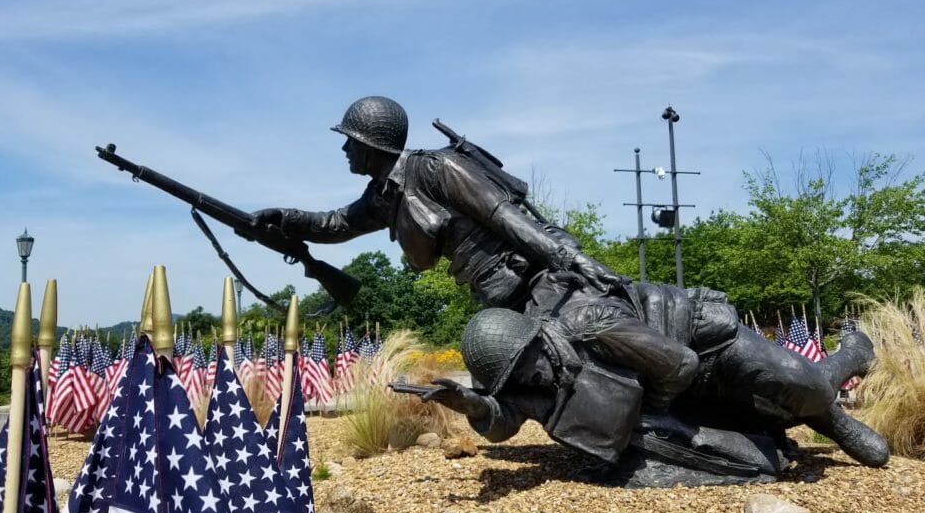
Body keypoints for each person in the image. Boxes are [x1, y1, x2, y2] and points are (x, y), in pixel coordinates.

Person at [254, 96, 699, 410]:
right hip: (499, 296)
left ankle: (674, 385)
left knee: (591, 331)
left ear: (370, 144)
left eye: (349, 139)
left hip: (539, 279)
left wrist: (571, 261)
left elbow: (506, 218)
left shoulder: (436, 168)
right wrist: (284, 219)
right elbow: (336, 225)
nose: (344, 148)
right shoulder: (383, 195)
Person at [419, 289, 889, 475]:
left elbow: (680, 364)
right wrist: (471, 404)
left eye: (526, 365)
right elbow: (507, 421)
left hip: (706, 346)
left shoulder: (590, 324)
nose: (529, 379)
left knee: (801, 385)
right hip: (677, 386)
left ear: (537, 337)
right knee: (769, 418)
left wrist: (661, 413)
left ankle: (844, 367)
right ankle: (818, 400)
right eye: (514, 378)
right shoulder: (535, 375)